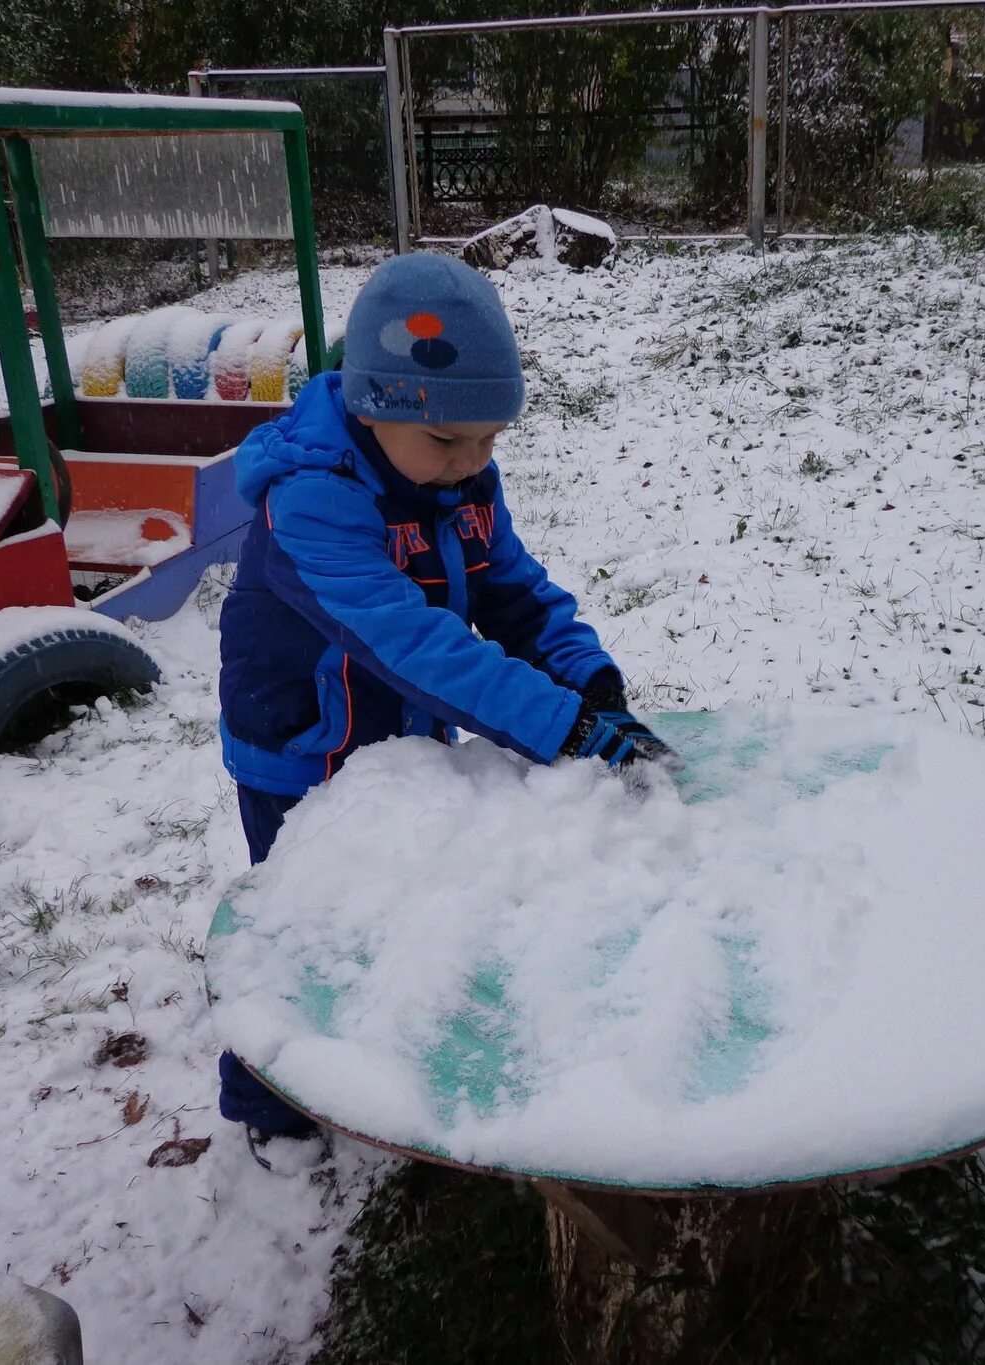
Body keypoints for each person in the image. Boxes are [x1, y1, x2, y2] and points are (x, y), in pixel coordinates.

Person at [214, 253, 669, 1157]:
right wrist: (566, 731)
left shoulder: (455, 476)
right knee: (303, 925)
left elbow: (515, 593)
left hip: (399, 736)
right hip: (303, 746)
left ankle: (379, 1061)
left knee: (397, 903)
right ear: (378, 404)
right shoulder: (311, 503)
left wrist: (595, 687)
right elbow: (416, 643)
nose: (473, 463)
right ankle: (269, 1097)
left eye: (491, 439)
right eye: (452, 443)